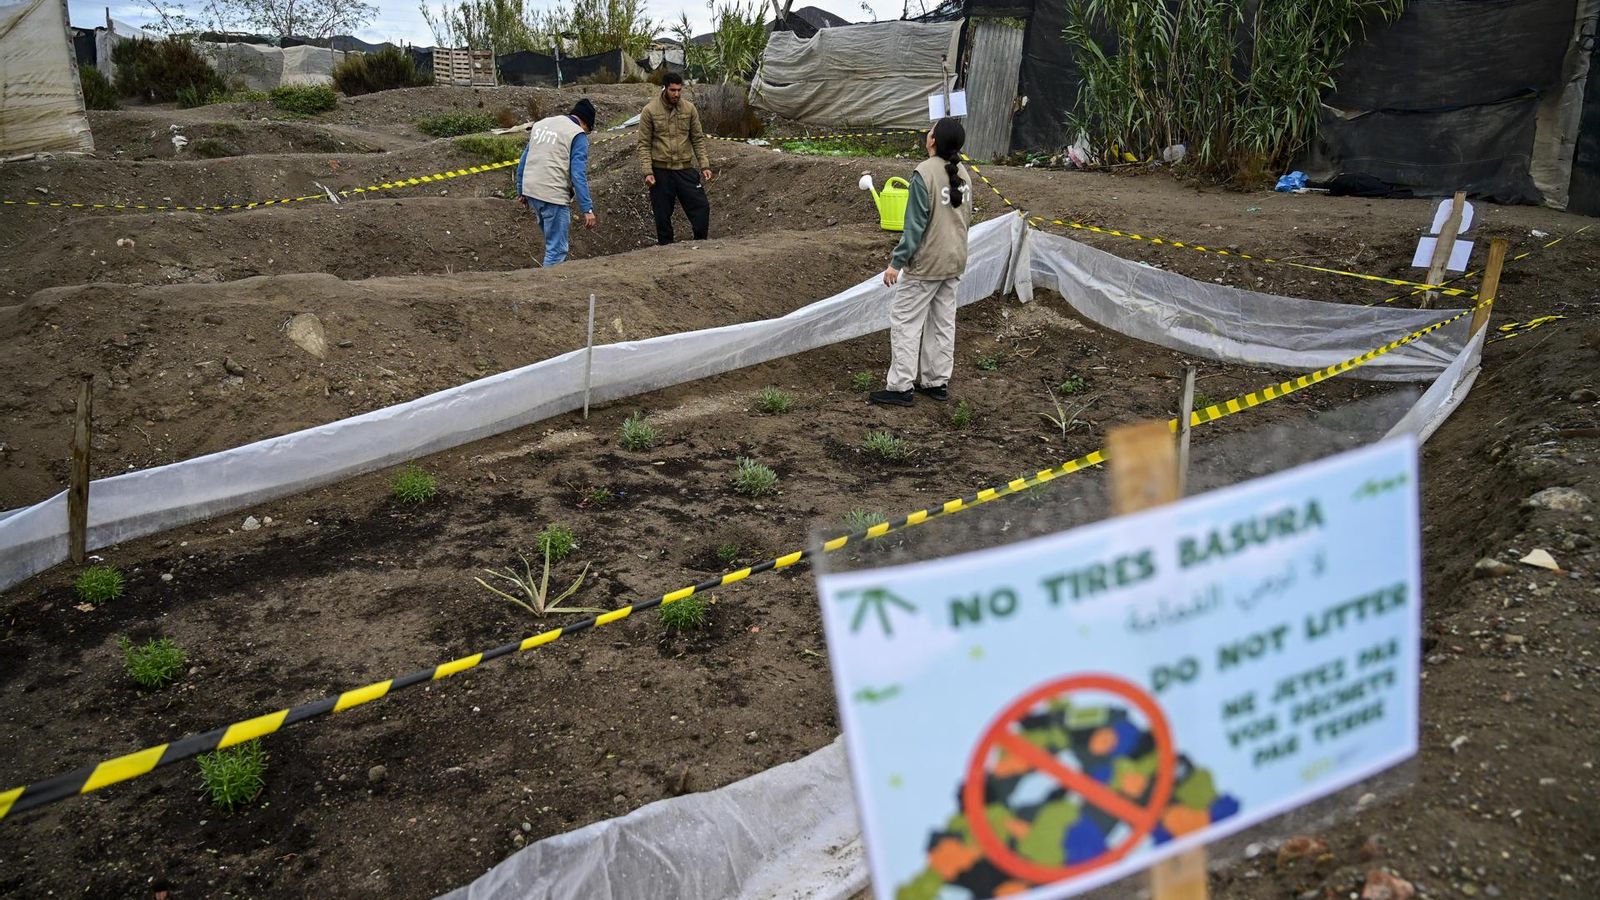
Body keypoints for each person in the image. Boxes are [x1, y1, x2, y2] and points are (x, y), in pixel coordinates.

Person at [870, 117, 972, 407]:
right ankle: (936, 381)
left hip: (927, 263)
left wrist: (896, 263)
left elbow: (914, 226)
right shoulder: (964, 173)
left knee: (905, 321)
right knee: (942, 322)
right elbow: (965, 218)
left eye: (930, 131)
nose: (927, 134)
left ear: (933, 141)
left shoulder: (923, 174)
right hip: (954, 260)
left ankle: (900, 386)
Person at [515, 99, 597, 267]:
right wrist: (587, 208)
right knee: (557, 250)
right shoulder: (577, 134)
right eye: (588, 131)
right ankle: (546, 289)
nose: (586, 134)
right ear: (586, 124)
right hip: (553, 196)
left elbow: (524, 160)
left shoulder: (542, 124)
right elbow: (578, 174)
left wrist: (521, 190)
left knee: (552, 243)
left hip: (532, 192)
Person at [638, 72, 713, 245]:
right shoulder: (650, 110)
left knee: (701, 207)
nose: (676, 94)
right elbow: (643, 144)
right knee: (662, 214)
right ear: (664, 88)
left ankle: (701, 244)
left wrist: (705, 165)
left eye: (679, 90)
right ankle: (666, 250)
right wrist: (647, 172)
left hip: (684, 169)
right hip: (661, 171)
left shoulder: (689, 109)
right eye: (673, 90)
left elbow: (697, 139)